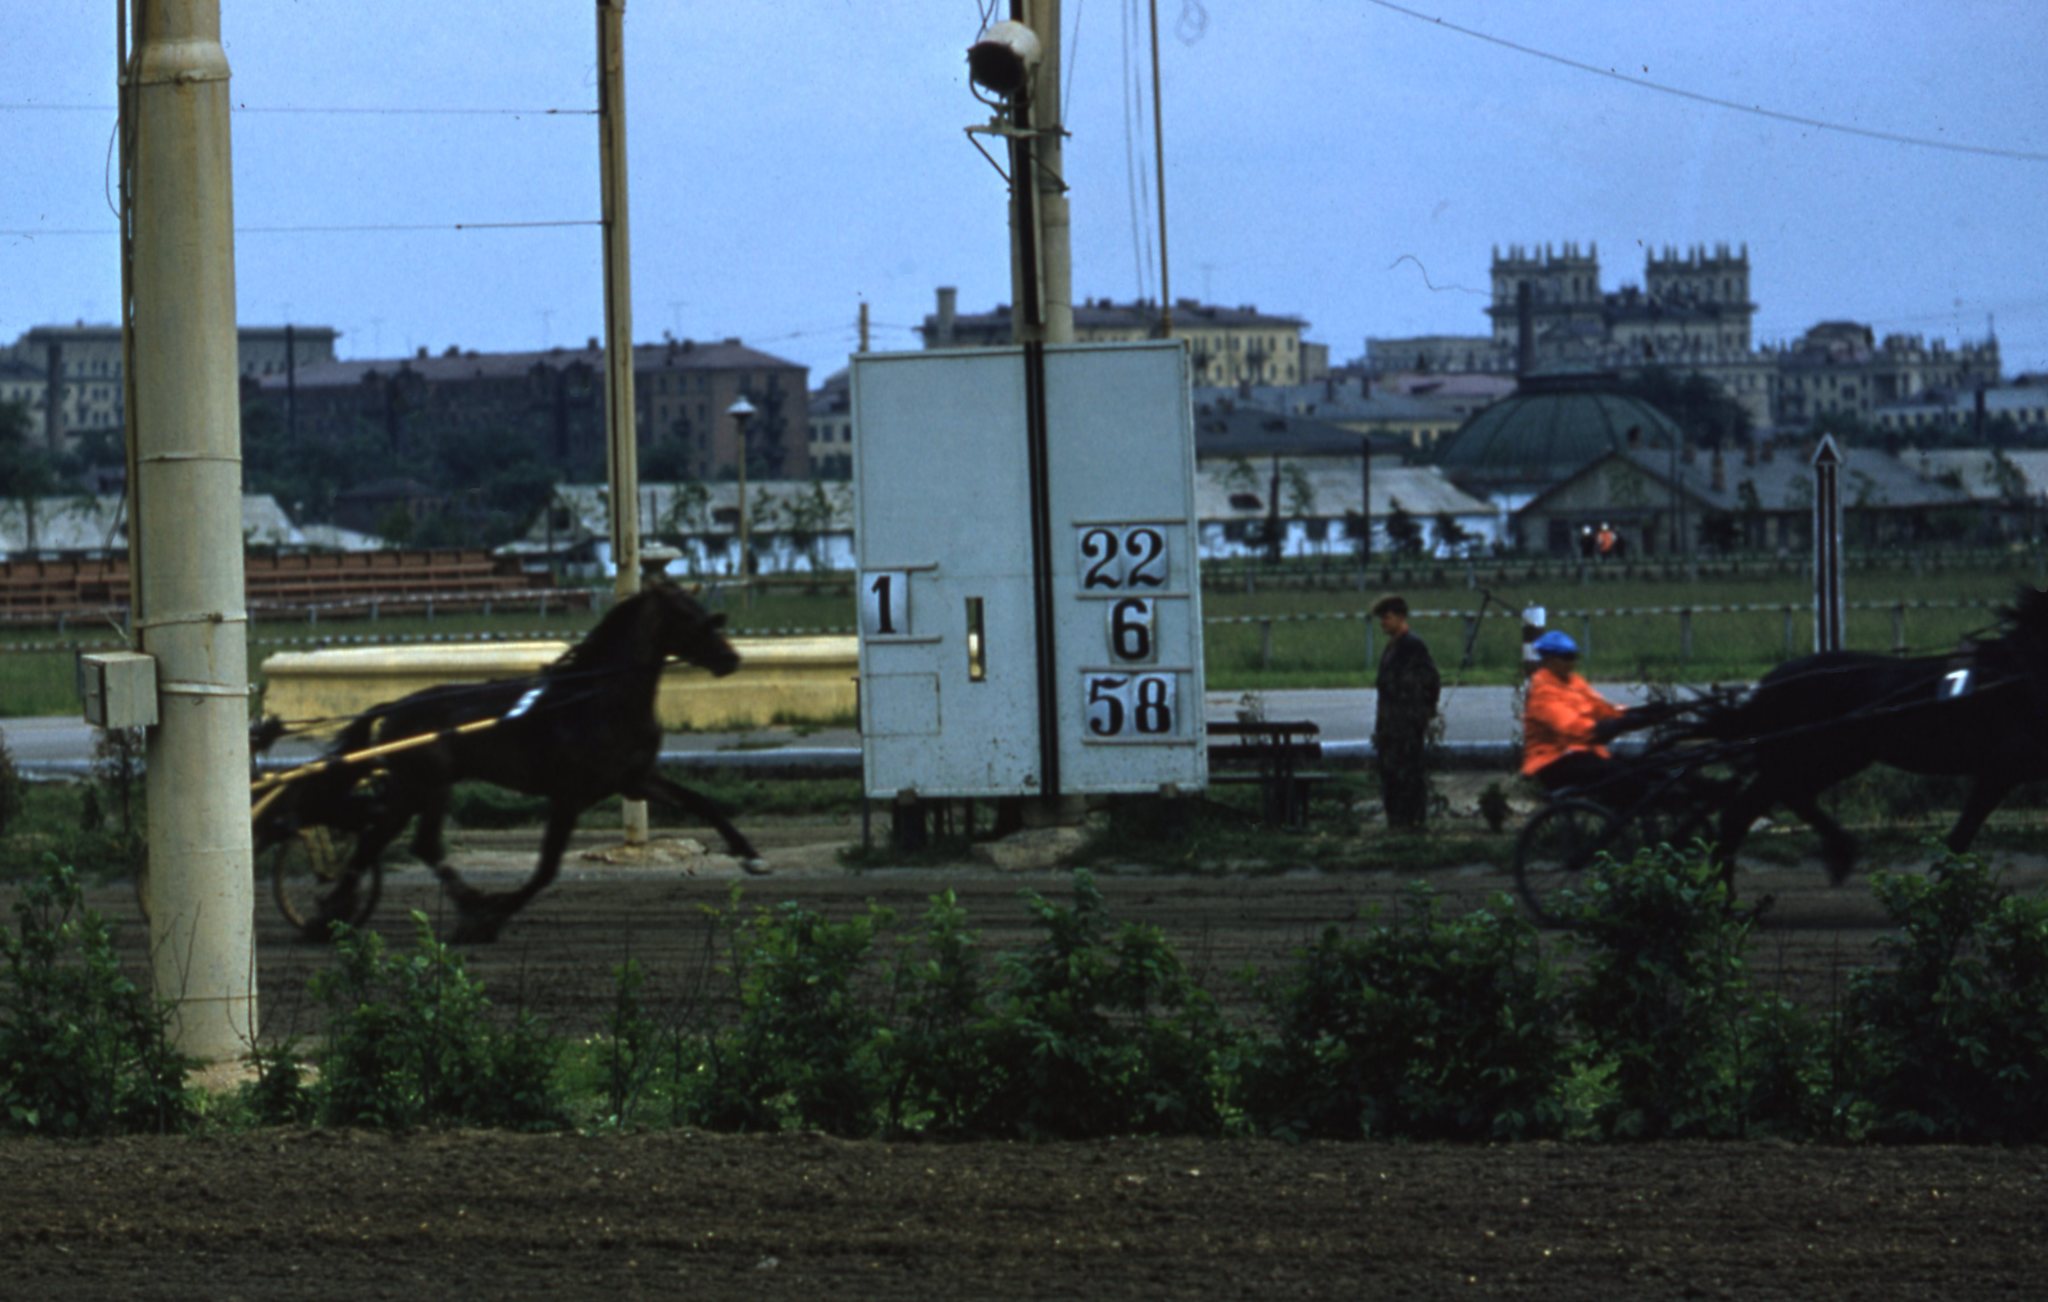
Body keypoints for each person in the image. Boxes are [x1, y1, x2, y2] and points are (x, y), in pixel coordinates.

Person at [1520, 629, 1640, 801]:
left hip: (1578, 753)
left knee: (1640, 768)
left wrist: (1631, 714)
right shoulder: (1543, 691)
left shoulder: (1573, 681)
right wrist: (1607, 727)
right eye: (1567, 657)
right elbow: (1571, 727)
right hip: (1553, 761)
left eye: (1574, 656)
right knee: (1622, 777)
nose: (1572, 662)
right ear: (1549, 660)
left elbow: (1599, 707)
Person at [1371, 594, 1441, 829]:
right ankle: (1398, 821)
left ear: (1401, 617)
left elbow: (1430, 681)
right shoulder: (1393, 646)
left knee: (1408, 774)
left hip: (1405, 725)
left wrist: (1422, 713)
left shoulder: (1412, 646)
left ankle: (1411, 821)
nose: (1383, 623)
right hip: (1390, 724)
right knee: (1391, 775)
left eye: (1387, 617)